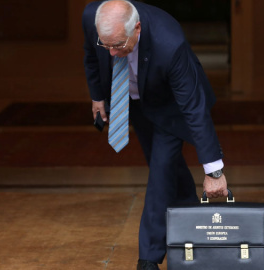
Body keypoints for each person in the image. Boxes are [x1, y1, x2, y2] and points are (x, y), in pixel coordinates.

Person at [82, 1, 228, 269]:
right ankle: (189, 224)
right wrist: (97, 96)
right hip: (136, 100)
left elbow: (194, 110)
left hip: (171, 104)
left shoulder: (169, 43)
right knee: (166, 167)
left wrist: (214, 172)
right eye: (107, 45)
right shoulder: (93, 17)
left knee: (161, 170)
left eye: (119, 45)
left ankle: (148, 258)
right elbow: (91, 55)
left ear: (137, 29)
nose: (113, 53)